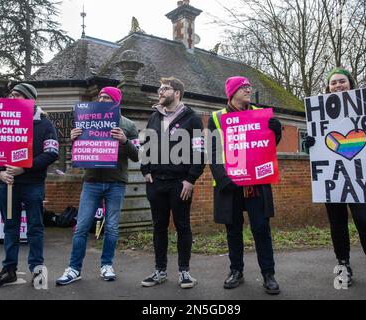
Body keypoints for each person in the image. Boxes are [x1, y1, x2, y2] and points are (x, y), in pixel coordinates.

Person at [303, 67, 366, 296]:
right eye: (333, 83)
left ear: (350, 83)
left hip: (362, 178)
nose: (338, 85)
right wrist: (309, 144)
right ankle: (343, 267)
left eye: (342, 81)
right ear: (327, 88)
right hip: (334, 179)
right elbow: (315, 147)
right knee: (337, 225)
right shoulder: (319, 114)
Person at [56, 87, 140, 285]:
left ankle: (107, 265)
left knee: (111, 227)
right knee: (81, 226)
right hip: (92, 181)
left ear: (116, 102)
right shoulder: (85, 120)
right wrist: (74, 138)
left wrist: (125, 140)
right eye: (100, 96)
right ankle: (74, 269)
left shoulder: (128, 125)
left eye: (106, 97)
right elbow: (77, 154)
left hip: (116, 182)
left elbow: (136, 154)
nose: (101, 98)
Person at [208, 76, 282, 294]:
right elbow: (213, 150)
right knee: (233, 230)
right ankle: (236, 271)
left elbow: (266, 146)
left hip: (256, 183)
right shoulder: (216, 117)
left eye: (249, 86)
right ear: (232, 92)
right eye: (243, 87)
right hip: (230, 183)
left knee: (261, 228)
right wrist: (223, 178)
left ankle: (268, 274)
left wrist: (276, 131)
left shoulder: (261, 113)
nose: (248, 90)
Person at [0, 83, 59, 289]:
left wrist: (24, 168)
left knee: (35, 228)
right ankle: (9, 270)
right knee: (10, 228)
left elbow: (52, 153)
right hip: (8, 185)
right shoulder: (0, 121)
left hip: (33, 185)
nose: (12, 97)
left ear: (30, 99)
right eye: (11, 94)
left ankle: (37, 270)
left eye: (17, 95)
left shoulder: (45, 124)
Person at [140, 77, 205, 289]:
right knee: (159, 227)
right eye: (159, 88)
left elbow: (199, 152)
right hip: (156, 183)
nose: (160, 92)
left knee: (182, 226)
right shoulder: (153, 118)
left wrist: (190, 179)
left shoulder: (192, 119)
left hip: (180, 184)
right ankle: (160, 271)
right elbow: (144, 147)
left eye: (165, 89)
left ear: (177, 93)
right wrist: (145, 170)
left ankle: (184, 272)